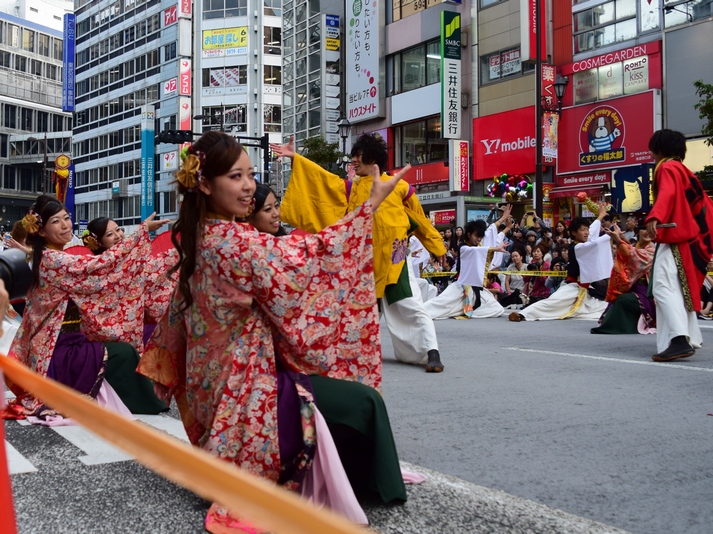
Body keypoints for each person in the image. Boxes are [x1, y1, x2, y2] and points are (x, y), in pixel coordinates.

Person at [138, 131, 410, 532]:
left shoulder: (198, 236)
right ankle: (370, 484)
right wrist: (368, 205)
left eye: (250, 174)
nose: (248, 185)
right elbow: (314, 259)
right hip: (247, 391)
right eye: (235, 176)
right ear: (206, 183)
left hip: (211, 389)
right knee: (364, 402)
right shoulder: (235, 241)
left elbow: (180, 315)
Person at [276, 134, 447, 373]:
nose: (353, 160)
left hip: (396, 259)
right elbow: (322, 180)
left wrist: (436, 247)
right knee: (360, 312)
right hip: (365, 262)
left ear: (372, 158)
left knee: (411, 305)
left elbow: (419, 219)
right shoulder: (352, 188)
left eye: (358, 156)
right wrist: (296, 158)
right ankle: (349, 354)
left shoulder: (400, 186)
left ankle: (432, 352)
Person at [5, 196, 171, 419]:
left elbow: (103, 280)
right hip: (56, 350)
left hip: (68, 341)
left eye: (66, 218)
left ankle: (141, 398)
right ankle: (143, 402)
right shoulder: (53, 259)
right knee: (122, 353)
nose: (65, 225)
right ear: (41, 231)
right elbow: (100, 267)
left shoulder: (50, 256)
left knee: (124, 349)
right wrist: (140, 234)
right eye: (56, 221)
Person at [645, 129, 713, 362]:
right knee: (681, 290)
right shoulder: (686, 171)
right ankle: (690, 336)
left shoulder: (666, 167)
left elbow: (667, 194)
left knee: (662, 287)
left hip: (676, 237)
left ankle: (680, 339)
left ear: (659, 148)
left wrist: (655, 215)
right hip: (694, 241)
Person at [508, 207, 611, 322]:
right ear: (574, 233)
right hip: (573, 286)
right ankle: (523, 315)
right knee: (553, 302)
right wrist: (610, 236)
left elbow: (592, 234)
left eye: (587, 229)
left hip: (587, 290)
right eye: (583, 230)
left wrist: (600, 216)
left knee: (603, 306)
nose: (587, 232)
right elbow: (594, 242)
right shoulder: (577, 247)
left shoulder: (584, 243)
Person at [423, 217, 509, 320]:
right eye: (476, 236)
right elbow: (475, 251)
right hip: (460, 286)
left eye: (480, 237)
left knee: (497, 308)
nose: (478, 239)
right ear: (469, 234)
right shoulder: (464, 248)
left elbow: (490, 231)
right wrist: (495, 249)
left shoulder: (478, 246)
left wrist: (504, 221)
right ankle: (413, 313)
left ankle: (465, 310)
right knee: (441, 304)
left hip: (475, 289)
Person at [591, 225, 656, 335]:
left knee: (623, 300)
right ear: (638, 232)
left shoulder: (652, 250)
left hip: (646, 291)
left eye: (650, 229)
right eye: (644, 228)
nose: (647, 232)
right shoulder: (636, 246)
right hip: (631, 287)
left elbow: (633, 255)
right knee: (616, 299)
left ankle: (625, 327)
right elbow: (632, 250)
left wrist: (619, 240)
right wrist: (621, 239)